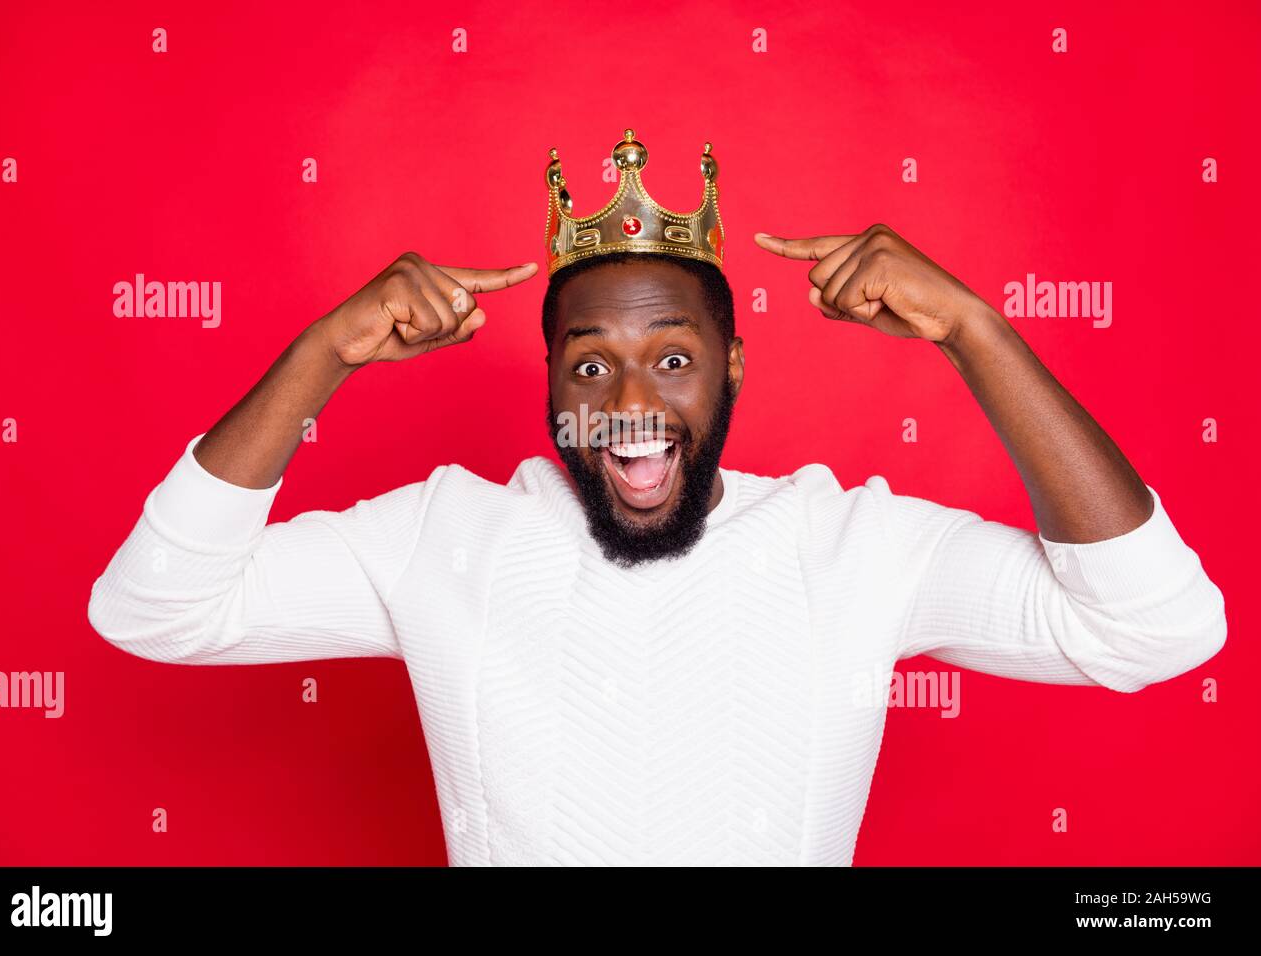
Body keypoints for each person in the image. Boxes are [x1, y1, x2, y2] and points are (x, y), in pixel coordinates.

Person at [88, 130, 1227, 866]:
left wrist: (978, 332)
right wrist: (319, 356)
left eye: (672, 357)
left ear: (732, 365)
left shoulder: (855, 543)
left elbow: (1155, 625)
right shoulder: (442, 533)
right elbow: (154, 607)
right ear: (547, 380)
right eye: (588, 363)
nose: (629, 399)